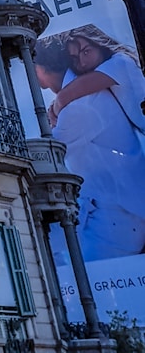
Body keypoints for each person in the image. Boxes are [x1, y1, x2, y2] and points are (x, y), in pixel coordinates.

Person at [34, 32, 145, 261]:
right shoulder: (91, 89)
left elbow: (51, 154)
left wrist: (58, 105)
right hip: (116, 212)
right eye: (75, 57)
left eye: (86, 52)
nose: (82, 62)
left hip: (120, 218)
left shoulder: (119, 65)